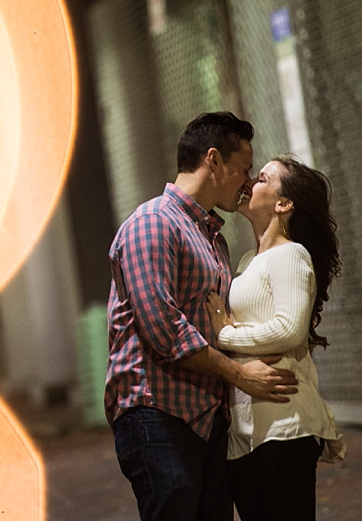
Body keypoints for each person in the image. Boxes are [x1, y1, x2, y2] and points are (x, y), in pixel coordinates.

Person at [105, 112, 299, 521]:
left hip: (205, 417)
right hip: (157, 411)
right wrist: (241, 374)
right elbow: (164, 329)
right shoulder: (153, 223)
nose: (247, 182)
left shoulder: (212, 236)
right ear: (213, 160)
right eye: (244, 169)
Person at [206, 155, 345, 521]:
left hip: (285, 426)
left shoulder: (291, 254)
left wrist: (226, 335)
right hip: (245, 431)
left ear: (283, 204)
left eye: (263, 178)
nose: (250, 182)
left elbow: (289, 329)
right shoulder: (248, 261)